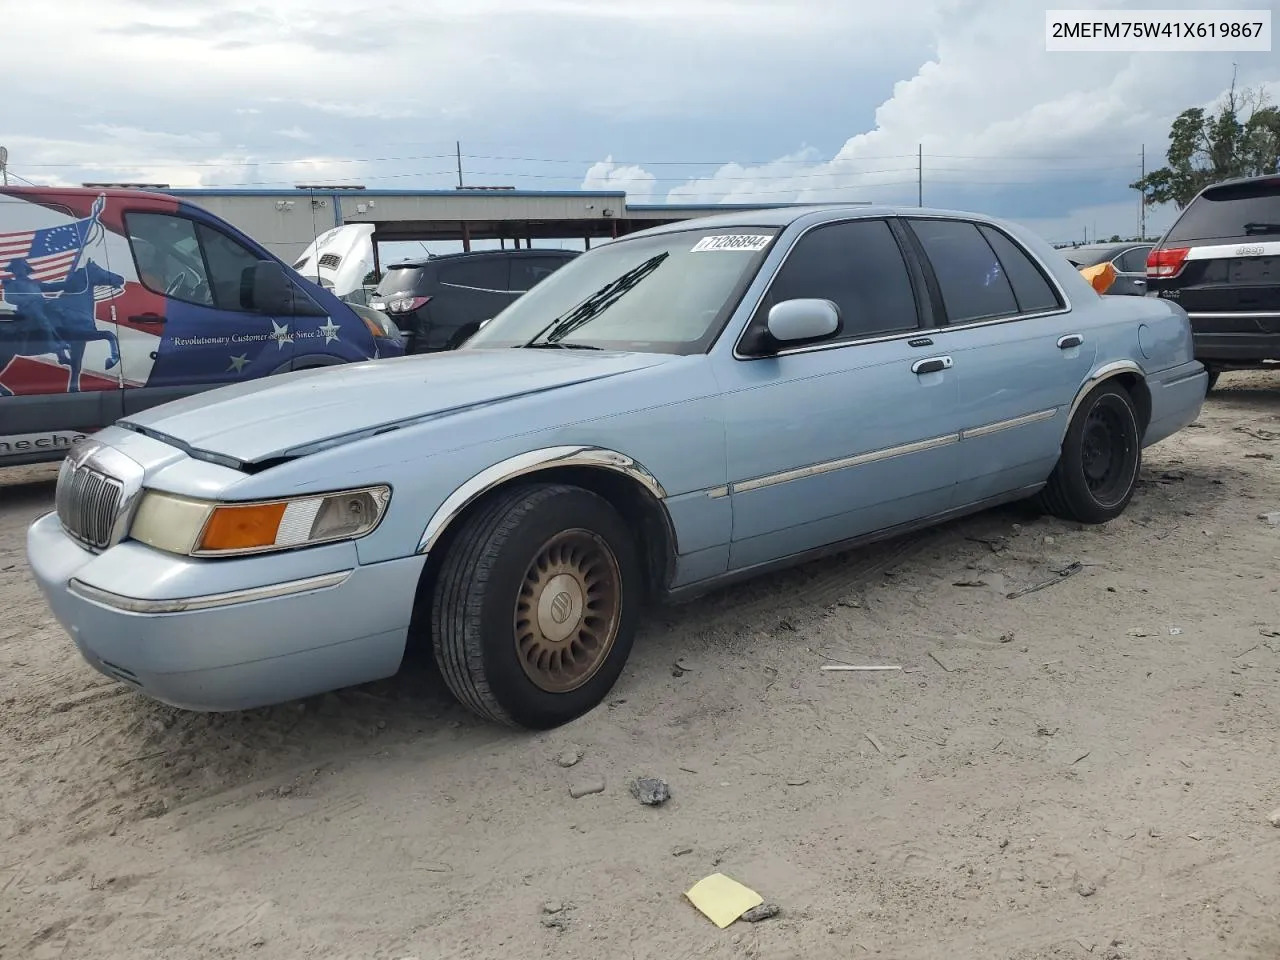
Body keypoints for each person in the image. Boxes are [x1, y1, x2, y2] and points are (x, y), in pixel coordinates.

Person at [1, 259, 72, 365]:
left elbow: (50, 287)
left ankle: (62, 356)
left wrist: (68, 284)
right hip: (28, 308)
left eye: (22, 268)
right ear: (13, 271)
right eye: (16, 269)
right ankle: (51, 345)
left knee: (57, 315)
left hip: (43, 305)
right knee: (41, 317)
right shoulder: (12, 284)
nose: (20, 271)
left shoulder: (34, 282)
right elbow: (10, 297)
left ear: (26, 270)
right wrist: (28, 299)